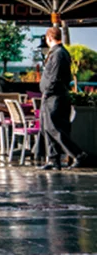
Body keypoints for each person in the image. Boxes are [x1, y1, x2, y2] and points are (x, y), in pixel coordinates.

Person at [40, 26, 89, 170]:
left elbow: (55, 76)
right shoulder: (59, 53)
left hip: (54, 96)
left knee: (54, 128)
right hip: (53, 95)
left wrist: (48, 91)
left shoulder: (58, 54)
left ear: (49, 38)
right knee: (48, 127)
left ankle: (78, 154)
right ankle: (53, 159)